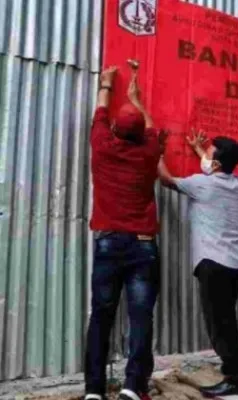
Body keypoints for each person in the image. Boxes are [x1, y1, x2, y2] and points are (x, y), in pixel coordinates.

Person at [85, 66, 162, 400]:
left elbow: (100, 112)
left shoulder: (102, 146)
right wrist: (138, 101)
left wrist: (106, 83)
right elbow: (153, 129)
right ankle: (133, 386)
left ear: (114, 130)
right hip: (142, 247)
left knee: (101, 317)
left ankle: (93, 391)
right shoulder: (148, 154)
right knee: (140, 317)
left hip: (108, 244)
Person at [157, 131, 238, 397]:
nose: (205, 155)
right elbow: (216, 170)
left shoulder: (202, 184)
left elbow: (165, 179)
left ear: (217, 163)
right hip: (237, 266)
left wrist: (158, 151)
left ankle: (236, 380)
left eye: (209, 152)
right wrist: (199, 149)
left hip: (215, 266)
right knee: (225, 321)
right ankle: (234, 371)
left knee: (220, 325)